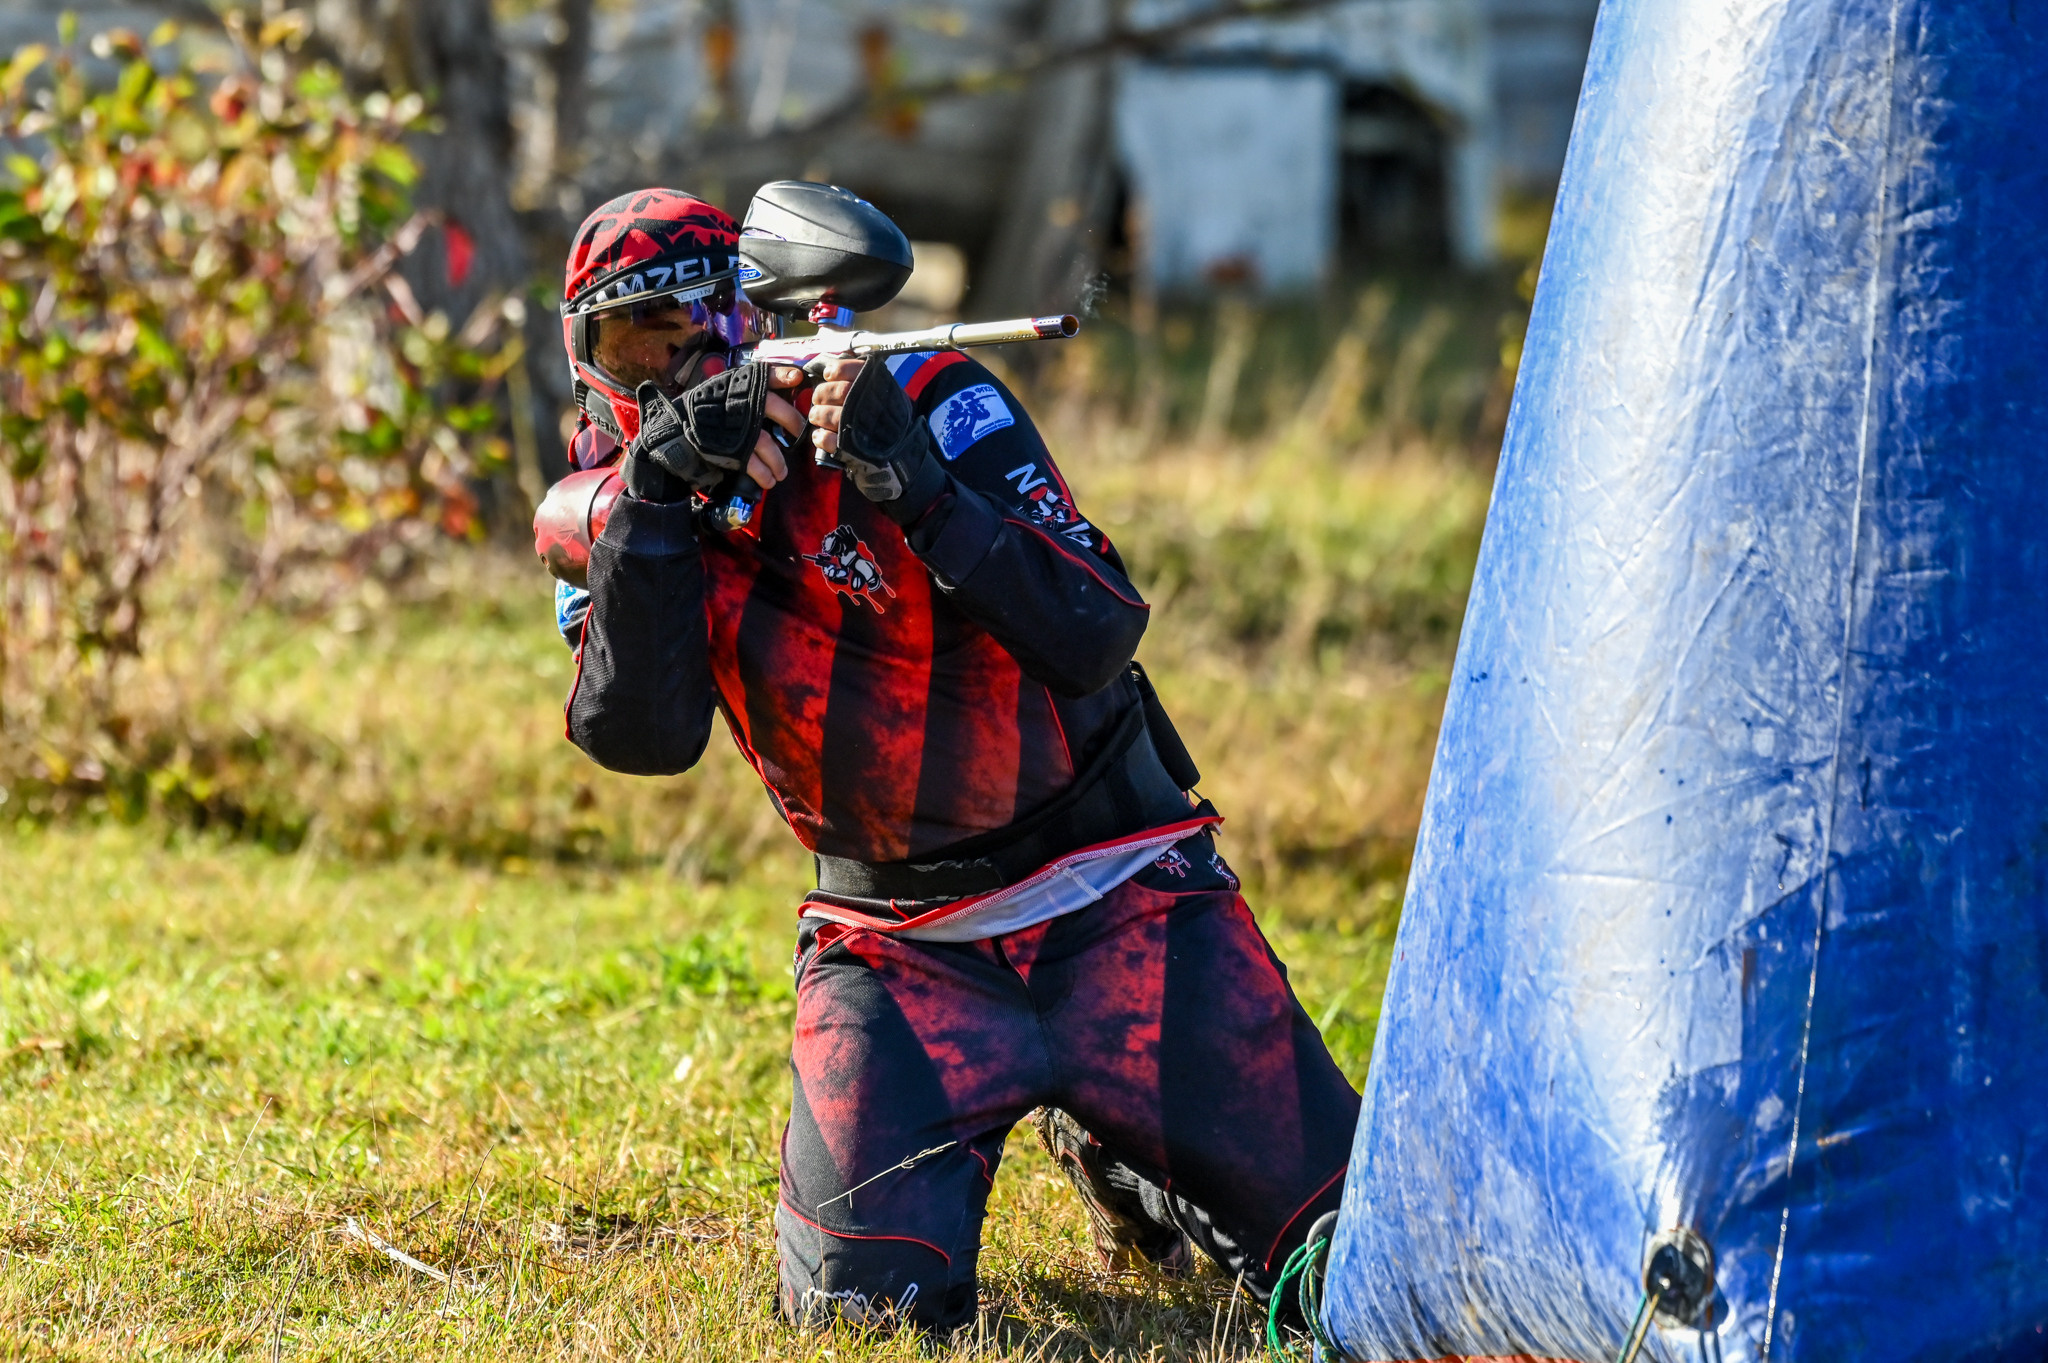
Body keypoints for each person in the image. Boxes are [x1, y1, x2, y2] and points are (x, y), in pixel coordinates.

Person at [545, 187, 1361, 1334]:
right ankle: (1095, 1122)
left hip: (1119, 898)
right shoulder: (608, 508)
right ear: (589, 367)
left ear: (755, 316)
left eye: (701, 325)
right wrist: (657, 504)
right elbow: (642, 738)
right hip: (902, 953)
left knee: (1356, 1267)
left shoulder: (926, 392)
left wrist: (918, 488)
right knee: (858, 1317)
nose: (679, 366)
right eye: (640, 343)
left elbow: (1094, 632)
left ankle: (1124, 1147)